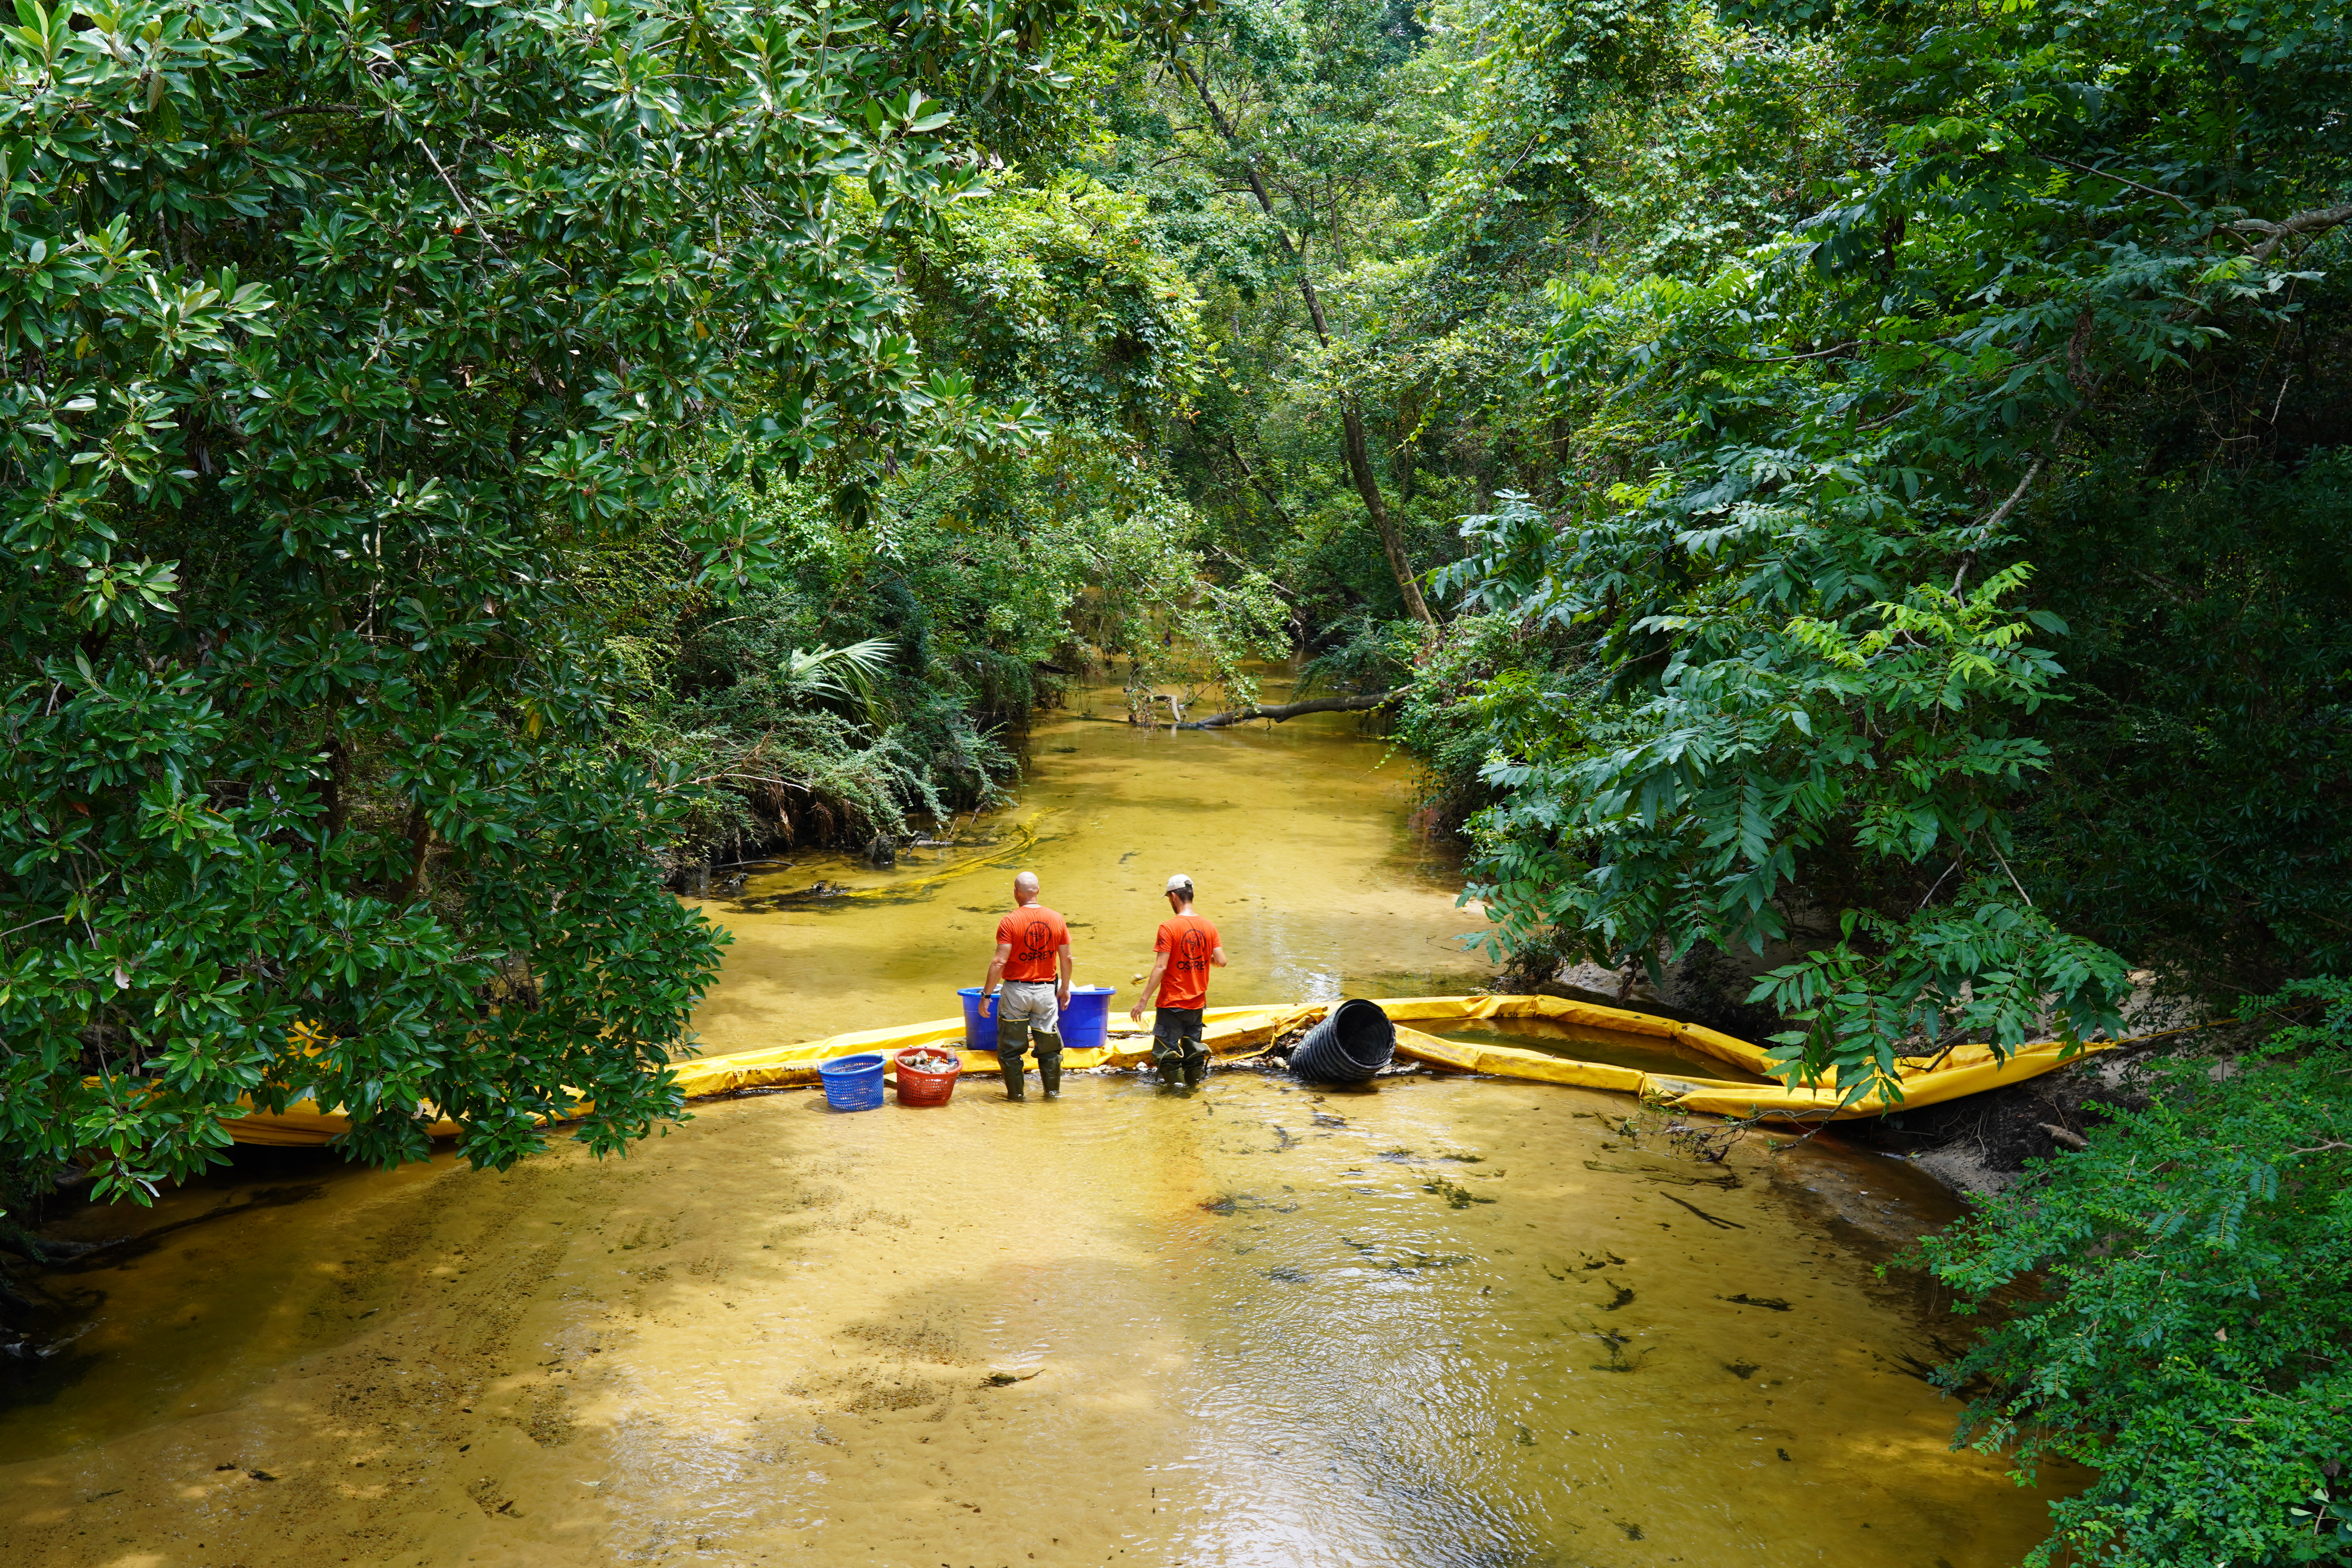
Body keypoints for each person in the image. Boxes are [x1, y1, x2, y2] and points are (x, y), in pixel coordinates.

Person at [980, 871, 1073, 1101]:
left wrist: (986, 995)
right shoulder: (1057, 919)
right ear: (1038, 891)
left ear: (1015, 893)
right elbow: (1067, 959)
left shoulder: (1010, 921)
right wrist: (1065, 988)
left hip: (1016, 991)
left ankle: (1016, 1098)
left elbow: (1000, 961)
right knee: (1050, 1048)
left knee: (1011, 1050)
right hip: (1046, 991)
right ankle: (1052, 1096)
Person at [1129, 873, 1226, 1090]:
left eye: (1170, 898)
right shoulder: (1210, 927)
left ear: (1174, 897)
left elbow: (1161, 967)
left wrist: (1143, 1001)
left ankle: (1177, 1096)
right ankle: (1193, 1092)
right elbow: (1221, 961)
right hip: (1198, 1003)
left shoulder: (1169, 927)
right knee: (1193, 1052)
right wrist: (1200, 957)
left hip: (1172, 1003)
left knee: (1166, 1053)